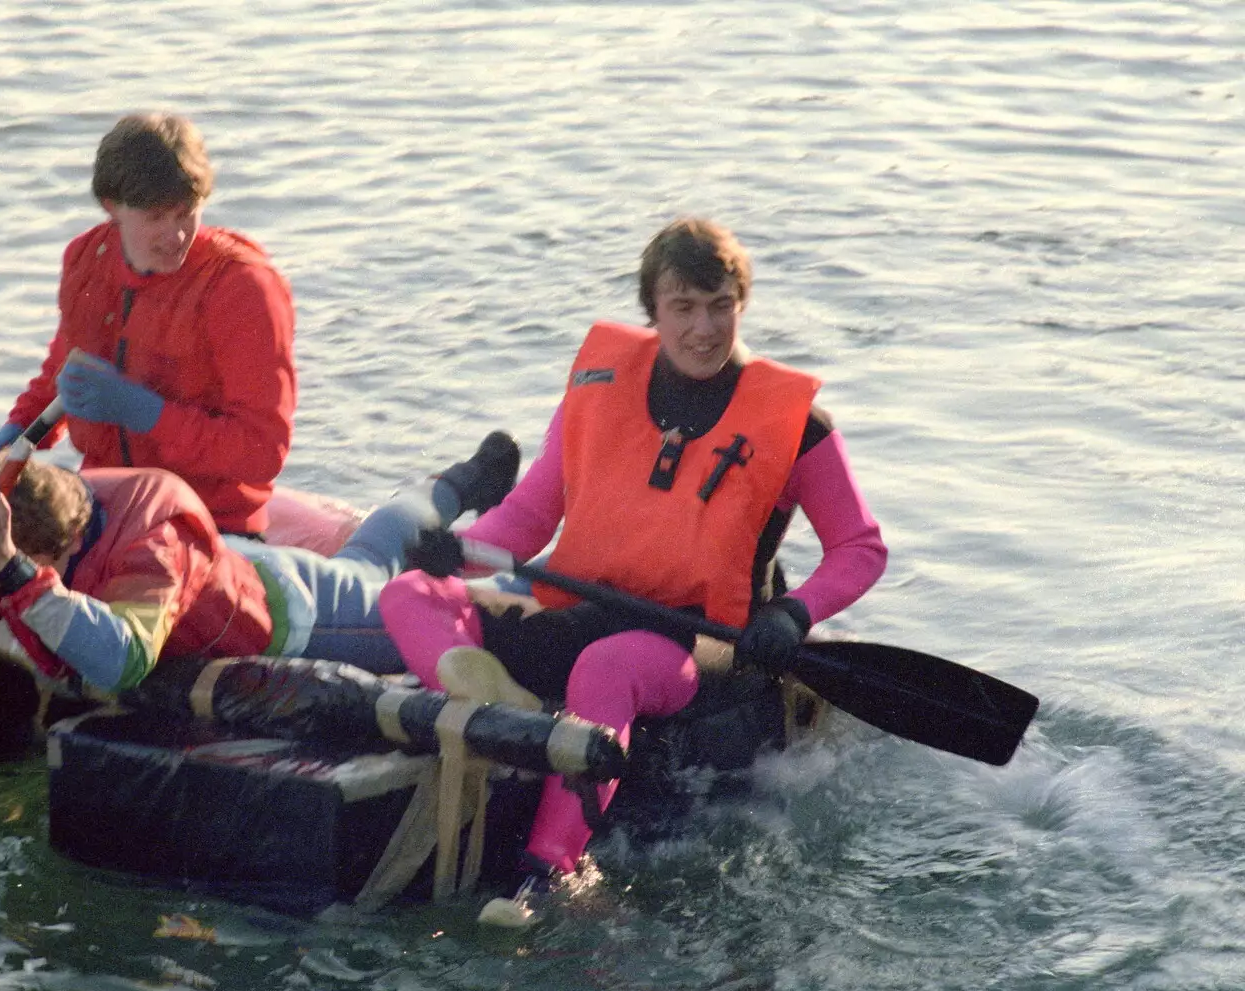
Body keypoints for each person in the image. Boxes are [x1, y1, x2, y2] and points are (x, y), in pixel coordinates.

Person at [377, 217, 888, 924]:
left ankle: (546, 873)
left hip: (701, 638)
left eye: (720, 306)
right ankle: (509, 712)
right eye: (684, 307)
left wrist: (793, 613)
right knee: (409, 591)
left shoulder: (799, 425)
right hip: (589, 604)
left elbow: (860, 547)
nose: (704, 328)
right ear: (653, 310)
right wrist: (456, 550)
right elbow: (528, 515)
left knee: (607, 667)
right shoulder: (598, 386)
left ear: (742, 304)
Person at [0, 432, 521, 807]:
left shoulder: (149, 522)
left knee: (383, 577)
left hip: (287, 613)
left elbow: (125, 660)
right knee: (367, 553)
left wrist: (14, 570)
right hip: (218, 572)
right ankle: (442, 489)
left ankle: (453, 488)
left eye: (44, 565)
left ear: (70, 546)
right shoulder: (1, 544)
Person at [0, 112, 297, 536]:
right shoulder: (86, 261)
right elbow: (63, 378)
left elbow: (262, 452)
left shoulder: (243, 288)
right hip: (104, 507)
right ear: (112, 206)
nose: (176, 236)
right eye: (155, 218)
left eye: (186, 213)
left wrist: (147, 413)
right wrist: (5, 444)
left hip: (208, 523)